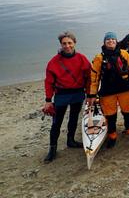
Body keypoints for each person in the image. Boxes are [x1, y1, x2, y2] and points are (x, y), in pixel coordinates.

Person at [43, 31, 91, 163]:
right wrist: (48, 100)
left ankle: (71, 140)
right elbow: (49, 82)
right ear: (61, 44)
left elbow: (89, 77)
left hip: (77, 93)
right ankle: (52, 149)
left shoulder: (82, 59)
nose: (67, 46)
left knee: (74, 118)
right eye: (64, 43)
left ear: (74, 43)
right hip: (61, 95)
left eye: (70, 43)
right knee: (56, 123)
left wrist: (89, 94)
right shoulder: (54, 62)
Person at [87, 32, 129, 148]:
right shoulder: (99, 58)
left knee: (128, 113)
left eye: (113, 39)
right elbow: (94, 77)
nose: (110, 41)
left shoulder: (124, 54)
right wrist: (92, 94)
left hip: (125, 90)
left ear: (116, 41)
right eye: (108, 40)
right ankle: (112, 136)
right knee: (110, 116)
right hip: (107, 92)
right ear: (104, 42)